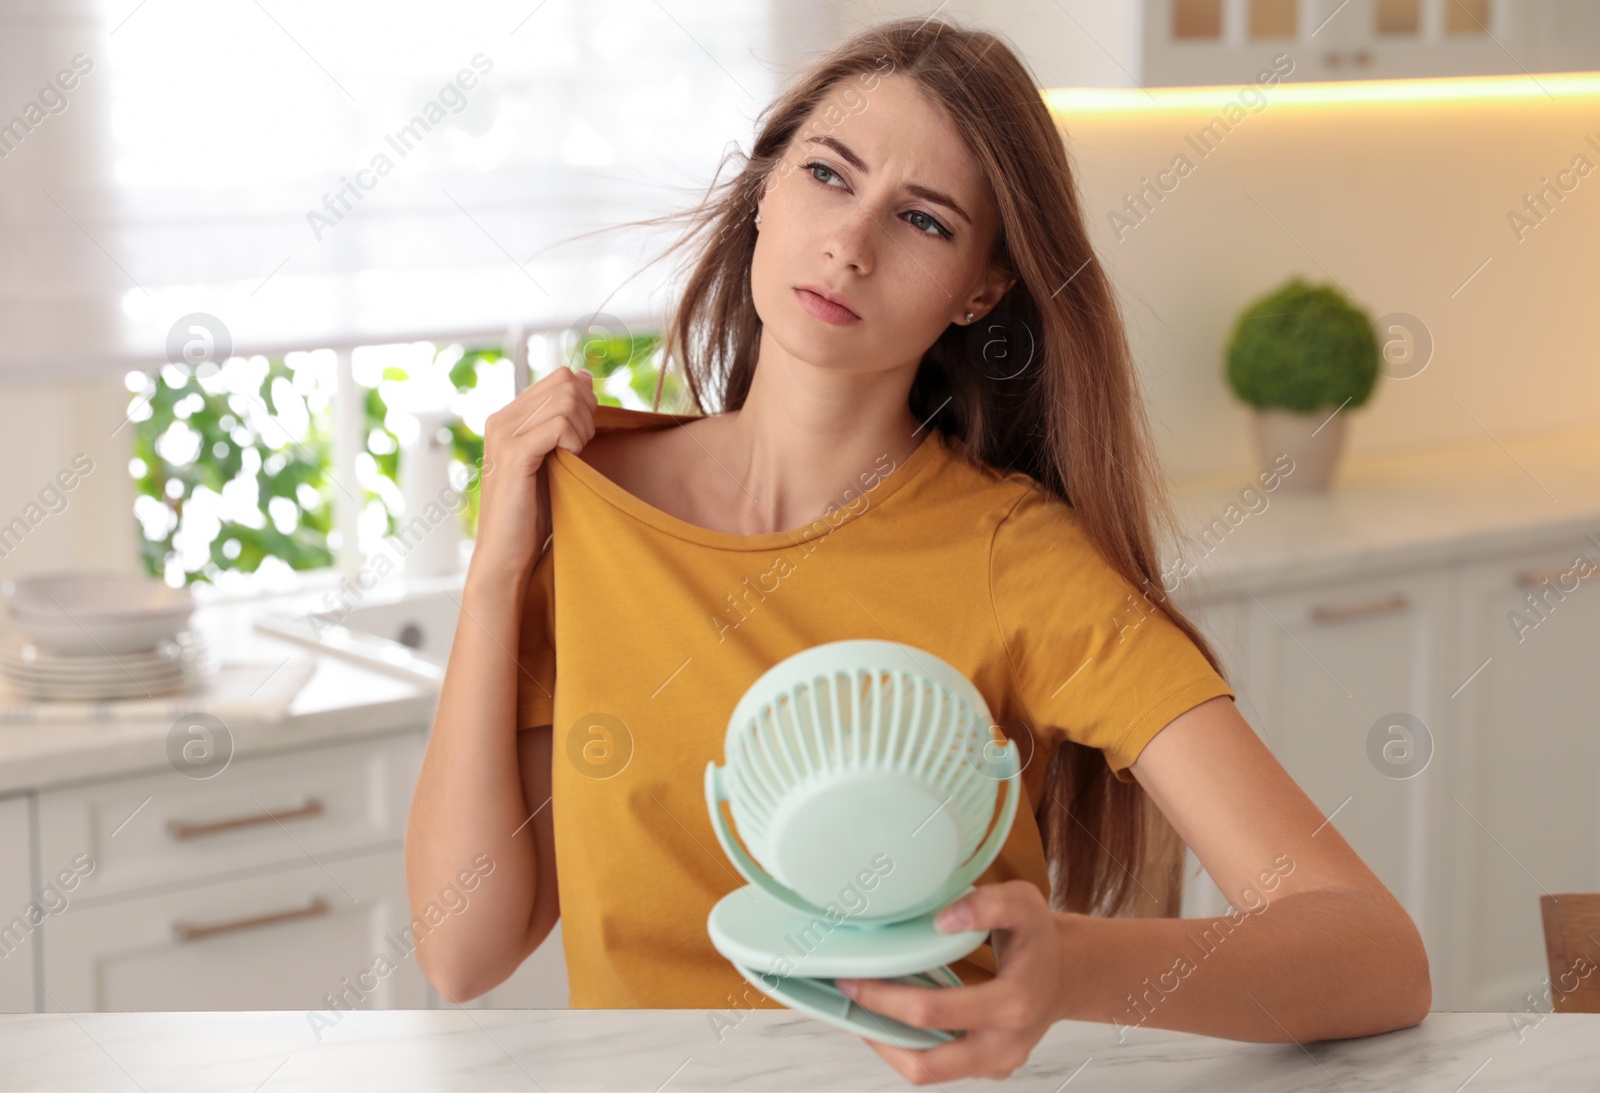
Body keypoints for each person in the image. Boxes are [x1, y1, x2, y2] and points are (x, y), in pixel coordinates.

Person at [404, 16, 1430, 1084]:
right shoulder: (584, 505)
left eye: (924, 221)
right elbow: (464, 948)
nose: (850, 244)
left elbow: (1376, 953)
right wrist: (493, 576)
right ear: (765, 191)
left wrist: (1065, 966)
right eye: (827, 175)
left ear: (981, 291)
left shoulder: (1011, 557)